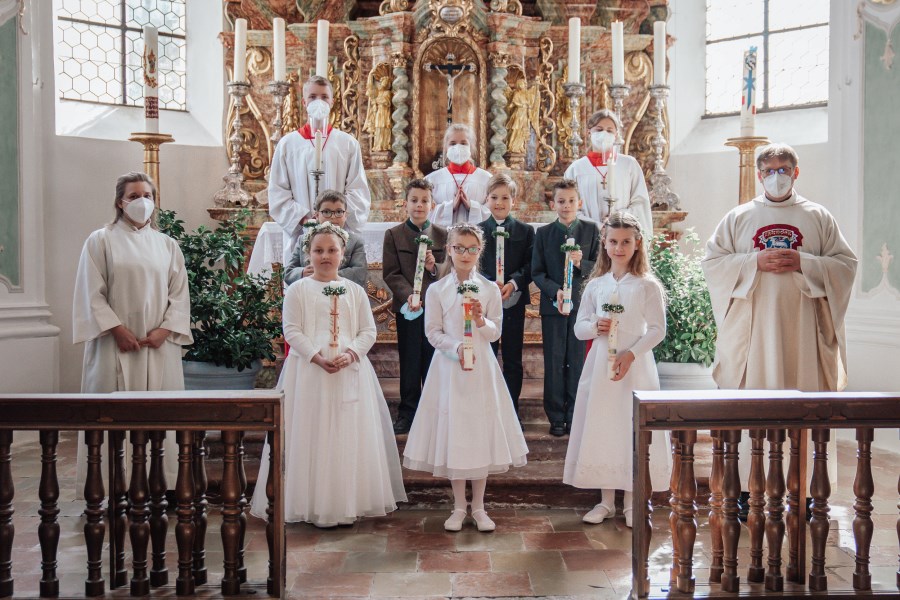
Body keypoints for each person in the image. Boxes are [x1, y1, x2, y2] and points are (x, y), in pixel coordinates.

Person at [702, 142, 857, 493]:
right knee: (751, 408)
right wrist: (752, 262)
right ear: (759, 175)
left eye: (783, 169)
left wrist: (806, 263)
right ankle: (746, 490)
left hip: (804, 332)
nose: (776, 177)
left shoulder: (818, 216)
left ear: (796, 172)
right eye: (769, 171)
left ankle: (803, 491)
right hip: (753, 336)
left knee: (804, 409)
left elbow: (846, 266)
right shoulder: (739, 217)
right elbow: (712, 264)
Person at [250, 222, 407, 526]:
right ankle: (309, 502)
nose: (325, 256)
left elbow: (367, 330)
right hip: (309, 372)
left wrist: (351, 354)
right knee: (311, 433)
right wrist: (316, 357)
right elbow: (291, 330)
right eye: (318, 250)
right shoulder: (297, 290)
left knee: (347, 433)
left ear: (342, 253)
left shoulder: (355, 291)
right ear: (307, 254)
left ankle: (346, 501)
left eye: (332, 250)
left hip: (350, 371)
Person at [403, 223, 528, 532]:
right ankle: (459, 506)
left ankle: (480, 507)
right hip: (450, 368)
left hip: (481, 368)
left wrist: (481, 319)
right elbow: (432, 332)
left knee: (478, 431)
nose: (465, 254)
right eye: (459, 248)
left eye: (472, 249)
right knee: (457, 431)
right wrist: (456, 346)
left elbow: (495, 331)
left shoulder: (488, 289)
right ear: (449, 249)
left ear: (479, 251)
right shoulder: (437, 290)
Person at [72, 172, 192, 493]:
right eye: (134, 195)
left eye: (148, 195)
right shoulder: (100, 240)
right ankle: (110, 485)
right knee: (113, 417)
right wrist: (117, 329)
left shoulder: (168, 245)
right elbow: (91, 292)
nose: (142, 202)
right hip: (115, 345)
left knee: (160, 415)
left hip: (157, 346)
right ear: (119, 202)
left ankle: (160, 484)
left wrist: (165, 330)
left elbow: (179, 294)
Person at [563, 212, 671, 527]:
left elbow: (657, 330)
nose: (619, 247)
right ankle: (606, 501)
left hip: (635, 368)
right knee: (605, 424)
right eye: (613, 241)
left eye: (626, 241)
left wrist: (631, 353)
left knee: (631, 427)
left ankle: (632, 502)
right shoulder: (596, 284)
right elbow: (579, 328)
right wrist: (594, 325)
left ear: (637, 244)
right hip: (601, 366)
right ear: (604, 245)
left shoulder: (647, 285)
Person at [268, 75, 371, 265]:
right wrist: (306, 219)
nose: (319, 101)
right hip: (301, 235)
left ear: (332, 101)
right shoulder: (288, 145)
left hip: (339, 236)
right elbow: (278, 193)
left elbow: (358, 190)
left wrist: (334, 217)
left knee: (337, 289)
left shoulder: (347, 144)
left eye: (324, 97)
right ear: (304, 102)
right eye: (313, 96)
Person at [531, 179, 601, 436]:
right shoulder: (544, 234)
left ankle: (575, 413)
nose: (566, 205)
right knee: (555, 360)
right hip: (553, 306)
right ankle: (556, 417)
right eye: (561, 201)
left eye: (571, 201)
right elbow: (537, 272)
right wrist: (555, 291)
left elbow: (600, 268)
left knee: (576, 359)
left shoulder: (591, 231)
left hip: (582, 306)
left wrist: (582, 263)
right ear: (553, 204)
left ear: (579, 203)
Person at [382, 179, 448, 434]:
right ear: (405, 203)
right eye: (414, 200)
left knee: (432, 359)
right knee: (409, 359)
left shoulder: (443, 235)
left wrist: (434, 268)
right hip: (408, 308)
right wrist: (410, 294)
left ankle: (433, 412)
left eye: (424, 201)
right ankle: (408, 411)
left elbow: (448, 272)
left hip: (435, 309)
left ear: (432, 205)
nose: (419, 205)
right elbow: (392, 273)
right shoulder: (394, 235)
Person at [478, 173, 534, 422]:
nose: (499, 202)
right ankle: (486, 407)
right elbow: (474, 264)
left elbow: (530, 264)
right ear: (486, 200)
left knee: (512, 357)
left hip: (513, 301)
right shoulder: (478, 231)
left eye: (505, 197)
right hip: (485, 304)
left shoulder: (525, 231)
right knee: (486, 354)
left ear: (514, 200)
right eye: (494, 197)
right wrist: (488, 285)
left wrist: (513, 282)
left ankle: (511, 410)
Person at [563, 109, 652, 240]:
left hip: (622, 234)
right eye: (599, 130)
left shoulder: (628, 165)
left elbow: (640, 203)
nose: (604, 134)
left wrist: (617, 219)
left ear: (616, 135)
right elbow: (569, 207)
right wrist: (598, 226)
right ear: (589, 133)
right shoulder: (576, 169)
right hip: (588, 237)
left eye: (609, 130)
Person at [284, 190, 368, 288]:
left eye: (339, 212)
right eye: (327, 212)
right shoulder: (303, 240)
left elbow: (360, 273)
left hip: (341, 294)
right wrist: (302, 272)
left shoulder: (355, 242)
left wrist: (326, 275)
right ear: (317, 215)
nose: (333, 217)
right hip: (309, 294)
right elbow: (288, 272)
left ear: (346, 215)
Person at [426, 123, 491, 226]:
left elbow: (494, 212)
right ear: (446, 147)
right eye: (452, 143)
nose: (458, 147)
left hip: (476, 239)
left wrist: (472, 207)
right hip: (442, 239)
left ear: (471, 146)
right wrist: (450, 208)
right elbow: (425, 212)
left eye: (464, 143)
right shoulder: (431, 180)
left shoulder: (486, 179)